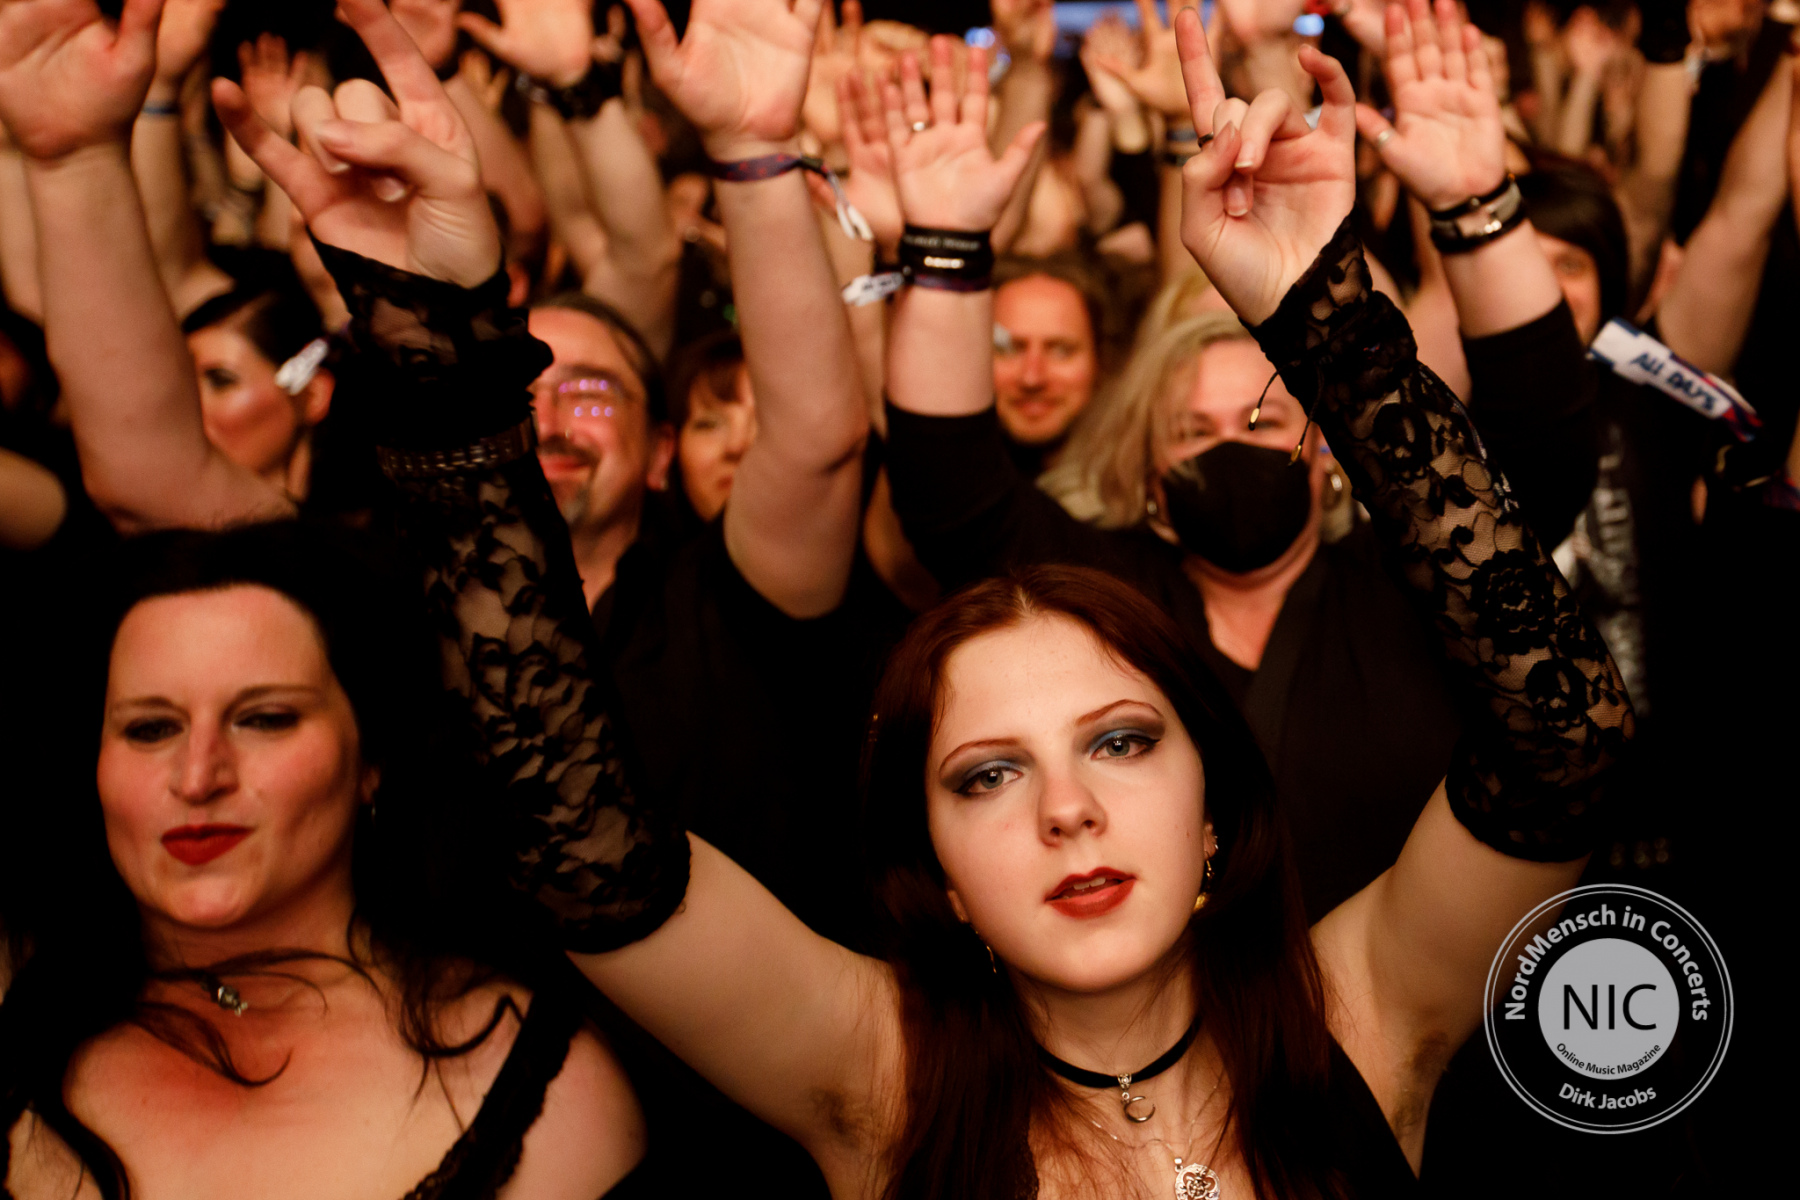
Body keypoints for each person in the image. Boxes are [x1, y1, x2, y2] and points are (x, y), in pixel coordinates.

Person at [248, 0, 1633, 1194]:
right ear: (939, 875)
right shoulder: (879, 1078)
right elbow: (582, 848)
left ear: (1217, 808)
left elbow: (1564, 741)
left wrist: (1326, 316)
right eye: (986, 776)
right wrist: (434, 346)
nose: (1066, 809)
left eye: (1121, 741)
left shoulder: (1363, 1015)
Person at [885, 0, 1597, 918]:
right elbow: (948, 494)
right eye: (1191, 431)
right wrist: (944, 249)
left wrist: (1475, 206)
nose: (1228, 446)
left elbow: (1544, 457)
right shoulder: (1102, 601)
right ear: (1145, 471)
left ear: (1329, 456)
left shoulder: (1404, 589)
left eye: (1262, 425)